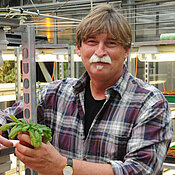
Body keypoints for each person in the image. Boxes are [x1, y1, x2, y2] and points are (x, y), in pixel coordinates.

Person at [0, 4, 173, 175]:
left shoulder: (150, 103)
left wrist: (63, 166)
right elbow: (9, 119)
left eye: (111, 43)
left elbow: (140, 170)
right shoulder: (55, 94)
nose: (100, 51)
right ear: (78, 49)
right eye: (91, 42)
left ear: (126, 51)